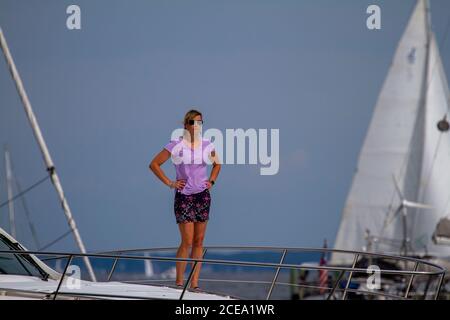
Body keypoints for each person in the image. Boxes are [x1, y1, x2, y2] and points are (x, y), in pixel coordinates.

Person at [149, 109, 221, 290]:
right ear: (185, 125)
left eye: (200, 123)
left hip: (202, 196)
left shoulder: (207, 145)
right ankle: (180, 281)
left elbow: (218, 164)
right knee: (187, 241)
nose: (197, 126)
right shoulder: (176, 145)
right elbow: (154, 164)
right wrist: (170, 183)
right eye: (193, 123)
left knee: (199, 241)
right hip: (184, 196)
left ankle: (195, 283)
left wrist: (211, 181)